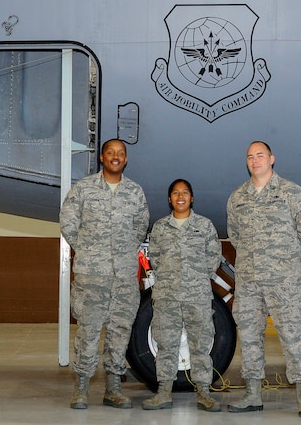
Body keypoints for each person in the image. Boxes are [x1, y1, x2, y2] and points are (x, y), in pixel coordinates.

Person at [226, 141, 301, 418]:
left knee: (293, 335)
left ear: (272, 159)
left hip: (283, 283)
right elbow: (235, 237)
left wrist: (286, 260)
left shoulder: (290, 192)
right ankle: (252, 394)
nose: (255, 161)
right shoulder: (237, 197)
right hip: (249, 281)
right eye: (250, 157)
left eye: (260, 156)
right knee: (250, 337)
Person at [59, 138, 150, 410]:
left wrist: (121, 252)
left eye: (120, 153)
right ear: (101, 157)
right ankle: (81, 388)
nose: (115, 157)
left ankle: (113, 388)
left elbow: (140, 226)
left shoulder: (135, 192)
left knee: (119, 333)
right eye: (110, 152)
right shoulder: (84, 189)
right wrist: (88, 251)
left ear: (125, 160)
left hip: (123, 278)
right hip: (91, 277)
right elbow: (68, 222)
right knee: (87, 333)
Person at [141, 179, 223, 412]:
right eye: (175, 193)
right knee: (166, 344)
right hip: (167, 297)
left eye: (185, 192)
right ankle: (164, 392)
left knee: (200, 345)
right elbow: (154, 257)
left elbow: (213, 257)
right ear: (169, 199)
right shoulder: (160, 227)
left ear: (192, 197)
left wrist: (195, 279)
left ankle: (204, 393)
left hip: (197, 296)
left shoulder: (204, 226)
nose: (180, 196)